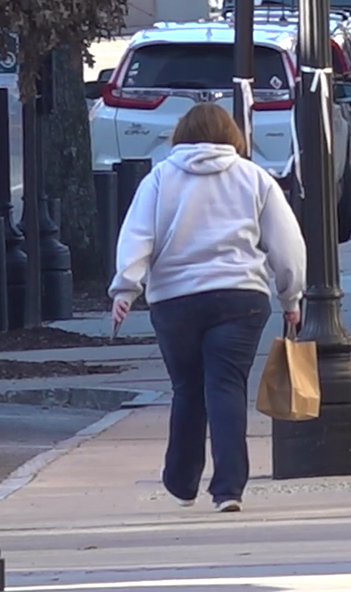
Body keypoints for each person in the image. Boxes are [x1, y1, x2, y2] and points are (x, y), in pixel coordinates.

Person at [110, 103, 306, 513]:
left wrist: (126, 289)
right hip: (240, 296)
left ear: (181, 135)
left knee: (187, 388)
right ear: (232, 135)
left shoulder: (160, 178)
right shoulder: (255, 178)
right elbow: (287, 246)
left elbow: (137, 235)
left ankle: (181, 481)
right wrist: (291, 297)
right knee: (226, 387)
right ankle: (228, 489)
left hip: (175, 299)